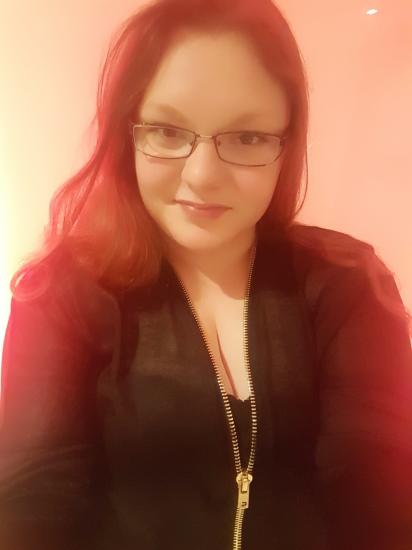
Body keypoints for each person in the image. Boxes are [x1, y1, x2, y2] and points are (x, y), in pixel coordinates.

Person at [1, 0, 412, 548]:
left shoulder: (347, 282)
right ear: (128, 134)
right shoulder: (62, 292)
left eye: (246, 138)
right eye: (167, 131)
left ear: (286, 143)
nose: (202, 176)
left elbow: (378, 487)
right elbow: (34, 498)